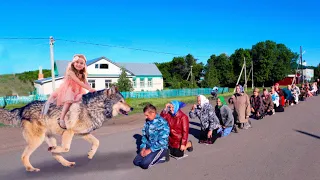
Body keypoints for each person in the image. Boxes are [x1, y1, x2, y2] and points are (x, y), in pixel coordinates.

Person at [42, 54, 96, 129]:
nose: (79, 64)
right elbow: (78, 82)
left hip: (78, 91)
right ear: (73, 63)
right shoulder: (70, 71)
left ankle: (78, 118)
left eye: (81, 63)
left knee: (82, 100)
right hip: (69, 89)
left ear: (84, 65)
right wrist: (89, 89)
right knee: (68, 101)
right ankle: (61, 119)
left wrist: (91, 89)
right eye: (77, 62)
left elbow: (85, 82)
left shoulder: (82, 74)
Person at [133, 104, 170, 169]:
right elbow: (144, 137)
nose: (146, 117)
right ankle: (152, 157)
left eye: (147, 115)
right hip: (149, 146)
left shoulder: (162, 122)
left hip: (159, 147)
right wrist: (143, 148)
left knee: (144, 164)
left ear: (153, 113)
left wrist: (150, 150)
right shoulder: (147, 122)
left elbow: (163, 141)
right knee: (136, 162)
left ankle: (164, 155)